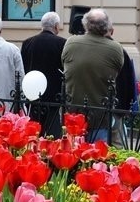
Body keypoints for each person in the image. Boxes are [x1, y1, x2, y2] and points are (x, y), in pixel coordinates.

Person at [62, 9, 124, 142]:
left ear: (85, 24)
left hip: (74, 114)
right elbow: (117, 70)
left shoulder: (71, 43)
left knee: (72, 157)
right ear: (107, 26)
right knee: (97, 159)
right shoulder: (115, 48)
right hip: (100, 116)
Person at [20, 12, 67, 137]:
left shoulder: (27, 43)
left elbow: (23, 67)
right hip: (53, 95)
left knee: (34, 132)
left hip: (33, 93)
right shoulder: (61, 43)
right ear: (56, 26)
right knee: (53, 133)